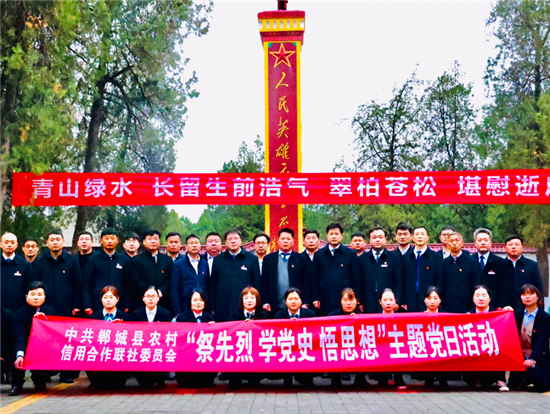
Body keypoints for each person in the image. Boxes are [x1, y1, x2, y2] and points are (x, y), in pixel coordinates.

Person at [9, 281, 56, 396]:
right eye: (32, 294)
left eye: (39, 295)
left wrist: (44, 321)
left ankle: (39, 379)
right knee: (16, 356)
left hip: (43, 348)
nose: (36, 297)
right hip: (24, 346)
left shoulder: (50, 312)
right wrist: (20, 355)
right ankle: (17, 384)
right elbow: (19, 336)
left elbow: (54, 335)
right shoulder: (18, 314)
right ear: (26, 296)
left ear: (44, 297)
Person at [209, 229, 260, 322]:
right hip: (223, 305)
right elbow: (213, 284)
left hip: (244, 305)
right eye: (230, 239)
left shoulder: (252, 259)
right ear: (225, 242)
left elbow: (256, 283)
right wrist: (212, 306)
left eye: (236, 238)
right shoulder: (218, 260)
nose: (233, 241)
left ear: (241, 240)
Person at [312, 223, 361, 316]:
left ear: (341, 236)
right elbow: (314, 278)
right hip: (325, 298)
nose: (334, 236)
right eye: (331, 234)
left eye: (336, 234)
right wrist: (315, 298)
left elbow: (356, 278)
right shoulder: (319, 254)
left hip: (346, 299)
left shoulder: (350, 254)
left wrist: (357, 298)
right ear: (327, 236)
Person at [509, 284, 550, 392]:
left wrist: (532, 359)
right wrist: (505, 311)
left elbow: (541, 342)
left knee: (540, 383)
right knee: (513, 384)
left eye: (531, 294)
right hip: (519, 358)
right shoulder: (517, 314)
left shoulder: (545, 318)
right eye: (524, 294)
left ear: (538, 296)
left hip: (537, 358)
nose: (527, 297)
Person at [87, 286, 130, 389]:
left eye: (111, 297)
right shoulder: (93, 317)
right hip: (99, 352)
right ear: (101, 299)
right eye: (105, 297)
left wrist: (122, 326)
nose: (108, 300)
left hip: (117, 353)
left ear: (117, 299)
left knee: (117, 385)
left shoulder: (125, 317)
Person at [261, 228, 311, 314]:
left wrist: (305, 302)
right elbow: (264, 282)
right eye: (283, 238)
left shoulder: (301, 259)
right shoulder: (268, 259)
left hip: (296, 305)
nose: (285, 241)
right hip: (273, 305)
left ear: (293, 241)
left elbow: (306, 282)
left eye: (288, 239)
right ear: (278, 240)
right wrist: (265, 302)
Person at [83, 228, 132, 314]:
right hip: (97, 303)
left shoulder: (124, 260)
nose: (109, 241)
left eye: (112, 238)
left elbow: (128, 284)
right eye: (106, 238)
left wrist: (127, 304)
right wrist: (87, 305)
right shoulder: (93, 260)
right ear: (101, 240)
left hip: (119, 303)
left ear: (117, 240)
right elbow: (87, 284)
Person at [131, 286, 171, 388]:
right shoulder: (136, 314)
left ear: (158, 298)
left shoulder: (166, 314)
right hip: (142, 347)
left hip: (159, 347)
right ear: (143, 298)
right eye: (148, 296)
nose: (151, 299)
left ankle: (160, 378)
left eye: (153, 296)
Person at [174, 290, 216, 388]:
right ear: (190, 302)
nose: (198, 303)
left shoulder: (209, 316)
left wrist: (213, 327)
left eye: (201, 300)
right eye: (195, 300)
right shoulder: (182, 317)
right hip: (188, 353)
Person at [274, 288, 316, 387]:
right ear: (285, 302)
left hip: (304, 347)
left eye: (296, 299)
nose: (293, 301)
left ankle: (306, 377)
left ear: (301, 301)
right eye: (290, 299)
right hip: (286, 348)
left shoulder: (310, 314)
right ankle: (287, 377)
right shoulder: (278, 315)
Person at [228, 287, 269, 389]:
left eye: (252, 298)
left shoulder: (263, 316)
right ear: (242, 300)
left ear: (257, 300)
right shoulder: (234, 315)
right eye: (246, 298)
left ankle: (255, 378)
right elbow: (230, 332)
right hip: (239, 347)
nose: (249, 300)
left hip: (256, 348)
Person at [328, 288, 368, 388]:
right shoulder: (332, 316)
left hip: (356, 347)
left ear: (357, 301)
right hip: (339, 346)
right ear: (341, 301)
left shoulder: (362, 317)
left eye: (351, 300)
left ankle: (360, 378)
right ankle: (335, 379)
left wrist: (357, 320)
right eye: (345, 300)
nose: (348, 303)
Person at [359, 227, 403, 313]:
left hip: (388, 303)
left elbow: (399, 281)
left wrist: (397, 300)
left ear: (385, 239)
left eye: (380, 237)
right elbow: (358, 281)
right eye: (374, 237)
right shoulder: (362, 259)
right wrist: (359, 301)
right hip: (368, 302)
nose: (377, 240)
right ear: (369, 240)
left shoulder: (394, 258)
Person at [130, 229, 173, 311]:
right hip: (142, 302)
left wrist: (161, 291)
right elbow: (135, 280)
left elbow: (170, 279)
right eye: (150, 239)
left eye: (156, 239)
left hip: (163, 302)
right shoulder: (136, 260)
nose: (153, 241)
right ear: (144, 242)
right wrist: (149, 292)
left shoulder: (167, 260)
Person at [402, 226, 443, 312]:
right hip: (410, 300)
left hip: (430, 300)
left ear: (427, 237)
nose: (420, 236)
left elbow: (439, 281)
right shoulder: (405, 257)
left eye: (422, 234)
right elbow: (401, 280)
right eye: (417, 234)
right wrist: (403, 299)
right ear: (412, 237)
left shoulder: (436, 258)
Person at [472, 228, 512, 309]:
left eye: (486, 240)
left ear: (491, 243)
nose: (483, 243)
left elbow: (504, 287)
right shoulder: (469, 261)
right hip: (472, 308)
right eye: (480, 240)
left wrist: (501, 305)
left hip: (494, 307)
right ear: (475, 243)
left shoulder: (500, 262)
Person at [441, 232, 481, 313]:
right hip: (447, 308)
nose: (454, 243)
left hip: (467, 308)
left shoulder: (472, 262)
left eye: (457, 240)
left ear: (462, 243)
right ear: (447, 245)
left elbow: (476, 285)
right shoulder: (443, 263)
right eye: (451, 241)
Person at [171, 233, 209, 316]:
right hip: (185, 307)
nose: (194, 245)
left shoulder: (205, 263)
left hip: (202, 307)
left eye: (196, 243)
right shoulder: (178, 264)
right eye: (191, 243)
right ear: (186, 247)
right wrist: (177, 311)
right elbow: (174, 289)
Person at [377, 289, 406, 390]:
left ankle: (398, 378)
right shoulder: (374, 318)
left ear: (395, 301)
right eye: (385, 300)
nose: (388, 303)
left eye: (391, 300)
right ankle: (382, 379)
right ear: (380, 302)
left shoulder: (402, 317)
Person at [504, 235, 544, 309]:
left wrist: (540, 309)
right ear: (505, 248)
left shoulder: (531, 265)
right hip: (505, 309)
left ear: (522, 247)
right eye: (510, 245)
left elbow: (538, 288)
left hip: (527, 308)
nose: (513, 247)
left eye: (517, 244)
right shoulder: (500, 265)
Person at [422, 286, 449, 390]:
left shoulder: (446, 316)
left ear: (440, 300)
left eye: (435, 298)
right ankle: (428, 378)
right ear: (424, 300)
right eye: (429, 298)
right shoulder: (419, 316)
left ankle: (443, 380)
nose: (432, 301)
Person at [1, 232, 34, 312]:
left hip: (18, 312)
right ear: (1, 244)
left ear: (16, 245)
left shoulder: (25, 265)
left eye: (12, 242)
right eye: (6, 242)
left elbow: (29, 289)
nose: (9, 245)